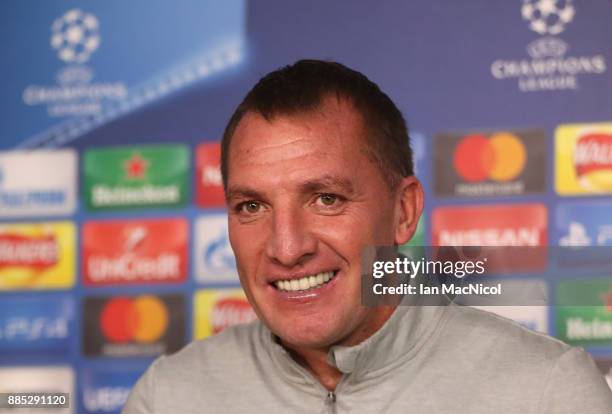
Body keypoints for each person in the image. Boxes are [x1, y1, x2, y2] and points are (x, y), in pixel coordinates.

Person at [123, 60, 612, 413]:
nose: (287, 248)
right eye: (252, 206)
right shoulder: (169, 396)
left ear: (403, 212)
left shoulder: (548, 393)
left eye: (326, 199)